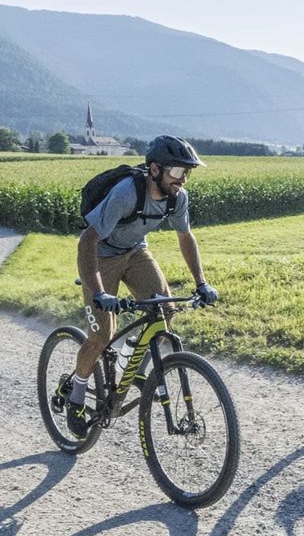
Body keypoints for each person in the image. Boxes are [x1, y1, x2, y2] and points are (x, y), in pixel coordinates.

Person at [63, 135, 219, 424]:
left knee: (165, 312)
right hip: (101, 255)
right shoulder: (126, 194)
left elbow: (186, 237)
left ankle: (127, 363)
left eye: (186, 173)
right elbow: (87, 241)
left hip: (135, 252)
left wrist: (201, 282)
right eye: (176, 171)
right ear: (156, 170)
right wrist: (98, 292)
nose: (182, 179)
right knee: (100, 336)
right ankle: (76, 394)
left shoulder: (177, 198)